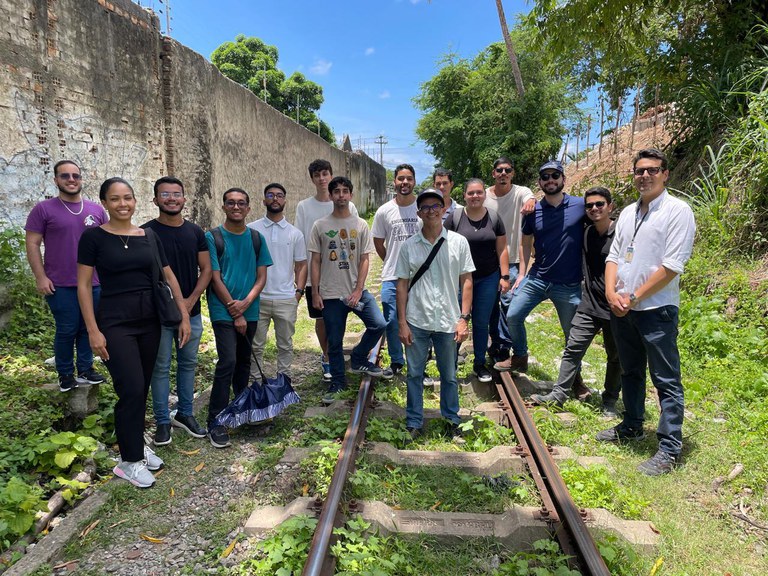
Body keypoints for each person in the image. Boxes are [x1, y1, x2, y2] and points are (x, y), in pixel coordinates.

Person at [77, 177, 191, 488]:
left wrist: (183, 314)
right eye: (115, 199)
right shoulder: (93, 238)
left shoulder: (149, 236)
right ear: (104, 203)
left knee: (140, 388)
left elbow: (169, 277)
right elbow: (84, 286)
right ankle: (128, 462)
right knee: (130, 388)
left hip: (150, 321)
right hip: (115, 323)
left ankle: (137, 446)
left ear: (135, 201)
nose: (123, 204)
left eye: (127, 197)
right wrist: (93, 330)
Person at [597, 149, 695, 476]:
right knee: (631, 371)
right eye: (640, 171)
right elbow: (613, 256)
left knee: (665, 379)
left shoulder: (678, 211)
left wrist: (634, 296)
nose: (645, 176)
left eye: (652, 170)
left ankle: (669, 449)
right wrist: (611, 293)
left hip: (656, 309)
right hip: (623, 308)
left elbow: (672, 266)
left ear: (665, 174)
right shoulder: (628, 212)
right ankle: (632, 425)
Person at [530, 187, 621, 416]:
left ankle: (610, 401)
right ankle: (559, 394)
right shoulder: (587, 233)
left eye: (599, 204)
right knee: (573, 349)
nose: (594, 208)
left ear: (610, 206)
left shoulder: (621, 233)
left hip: (615, 306)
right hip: (589, 303)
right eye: (589, 205)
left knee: (615, 356)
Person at [396, 189, 474, 441]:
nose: (431, 211)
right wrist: (402, 323)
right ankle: (414, 422)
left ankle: (452, 420)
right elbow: (401, 285)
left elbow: (467, 281)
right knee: (414, 374)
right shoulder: (409, 246)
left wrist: (463, 318)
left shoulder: (458, 242)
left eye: (435, 206)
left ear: (444, 210)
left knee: (449, 376)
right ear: (419, 213)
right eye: (425, 207)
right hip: (416, 320)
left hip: (448, 320)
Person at [496, 160, 585, 375]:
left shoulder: (580, 206)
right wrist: (522, 274)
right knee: (513, 315)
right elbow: (525, 242)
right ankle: (520, 356)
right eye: (545, 177)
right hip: (538, 278)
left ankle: (576, 378)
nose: (550, 180)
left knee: (571, 334)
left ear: (563, 179)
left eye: (555, 176)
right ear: (540, 182)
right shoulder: (533, 211)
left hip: (568, 283)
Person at [25, 160, 108, 392]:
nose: (71, 180)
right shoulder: (43, 209)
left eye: (75, 176)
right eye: (65, 176)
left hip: (93, 283)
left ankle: (85, 369)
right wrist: (40, 277)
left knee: (87, 327)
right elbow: (32, 243)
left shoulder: (96, 210)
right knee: (67, 328)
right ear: (56, 180)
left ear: (81, 179)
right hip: (60, 283)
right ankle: (65, 373)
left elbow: (106, 244)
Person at [142, 176, 211, 446]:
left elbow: (206, 269)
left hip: (191, 311)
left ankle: (185, 413)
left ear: (184, 198)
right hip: (157, 313)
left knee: (188, 363)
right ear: (155, 199)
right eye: (165, 194)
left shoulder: (195, 232)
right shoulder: (145, 232)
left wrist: (191, 301)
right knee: (160, 367)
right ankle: (162, 421)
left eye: (176, 194)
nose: (171, 199)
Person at [308, 176, 387, 403]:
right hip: (331, 293)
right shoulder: (320, 225)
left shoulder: (361, 225)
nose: (341, 195)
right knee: (334, 340)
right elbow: (315, 261)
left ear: (351, 195)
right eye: (337, 191)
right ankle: (338, 382)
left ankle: (359, 358)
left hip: (356, 292)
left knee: (379, 324)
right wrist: (315, 292)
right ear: (331, 195)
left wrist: (359, 289)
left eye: (345, 191)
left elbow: (365, 259)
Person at [205, 188, 272, 449]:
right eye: (231, 203)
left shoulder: (256, 238)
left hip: (250, 309)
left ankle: (240, 409)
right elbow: (214, 277)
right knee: (228, 361)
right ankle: (216, 420)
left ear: (248, 208)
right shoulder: (213, 237)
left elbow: (261, 276)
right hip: (223, 310)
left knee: (244, 362)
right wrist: (235, 309)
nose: (236, 207)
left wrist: (246, 304)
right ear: (223, 207)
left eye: (241, 203)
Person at [295, 159, 359, 381]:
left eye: (325, 174)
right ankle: (327, 355)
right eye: (317, 175)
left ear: (331, 175)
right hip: (316, 275)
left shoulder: (348, 205)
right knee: (321, 318)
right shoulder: (304, 206)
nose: (322, 179)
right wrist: (299, 273)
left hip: (342, 273)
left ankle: (336, 353)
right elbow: (300, 239)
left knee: (339, 317)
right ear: (312, 179)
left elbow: (355, 238)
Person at [444, 179, 509, 383]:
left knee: (481, 322)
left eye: (479, 192)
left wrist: (505, 276)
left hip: (488, 277)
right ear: (464, 195)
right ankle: (450, 363)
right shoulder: (455, 218)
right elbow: (441, 246)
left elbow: (502, 249)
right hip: (459, 279)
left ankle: (479, 363)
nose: (475, 196)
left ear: (484, 194)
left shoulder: (494, 218)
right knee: (456, 320)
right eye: (471, 193)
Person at [247, 183, 307, 379]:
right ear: (264, 200)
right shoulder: (251, 230)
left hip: (286, 298)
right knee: (256, 346)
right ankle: (256, 384)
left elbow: (301, 265)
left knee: (285, 345)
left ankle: (284, 382)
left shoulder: (295, 233)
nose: (275, 199)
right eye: (270, 195)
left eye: (279, 195)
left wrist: (298, 292)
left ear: (285, 201)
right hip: (258, 299)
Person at [483, 157, 535, 366]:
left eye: (507, 170)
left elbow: (530, 197)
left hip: (512, 259)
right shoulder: (484, 196)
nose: (503, 173)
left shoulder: (521, 192)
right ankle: (495, 340)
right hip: (488, 261)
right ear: (493, 173)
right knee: (490, 304)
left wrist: (531, 202)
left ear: (512, 173)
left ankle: (504, 345)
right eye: (499, 170)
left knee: (508, 303)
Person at [372, 163, 421, 377]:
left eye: (409, 178)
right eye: (401, 178)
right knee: (392, 320)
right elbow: (378, 241)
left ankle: (418, 361)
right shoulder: (384, 211)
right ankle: (396, 361)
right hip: (392, 275)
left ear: (414, 181)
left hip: (419, 276)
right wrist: (391, 261)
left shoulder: (423, 207)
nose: (405, 182)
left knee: (419, 321)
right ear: (395, 181)